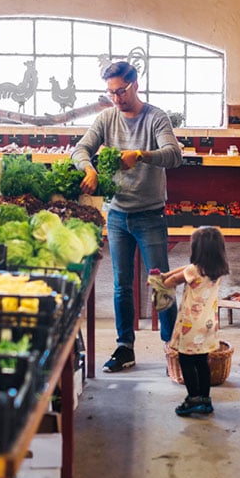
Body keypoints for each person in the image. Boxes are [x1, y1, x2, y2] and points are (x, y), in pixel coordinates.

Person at [71, 60, 182, 373]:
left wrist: (142, 155)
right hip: (118, 216)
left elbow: (174, 156)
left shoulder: (155, 117)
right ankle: (124, 348)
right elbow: (79, 149)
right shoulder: (106, 118)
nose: (116, 98)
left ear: (135, 84)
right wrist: (89, 168)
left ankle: (172, 346)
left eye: (121, 90)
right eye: (110, 92)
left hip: (150, 215)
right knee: (122, 285)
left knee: (161, 283)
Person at [160, 226, 230, 416]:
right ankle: (205, 400)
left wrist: (160, 280)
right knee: (201, 361)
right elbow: (183, 269)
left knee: (186, 360)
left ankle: (193, 399)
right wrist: (166, 273)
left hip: (191, 325)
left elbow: (172, 281)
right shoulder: (217, 269)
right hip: (208, 325)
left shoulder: (194, 270)